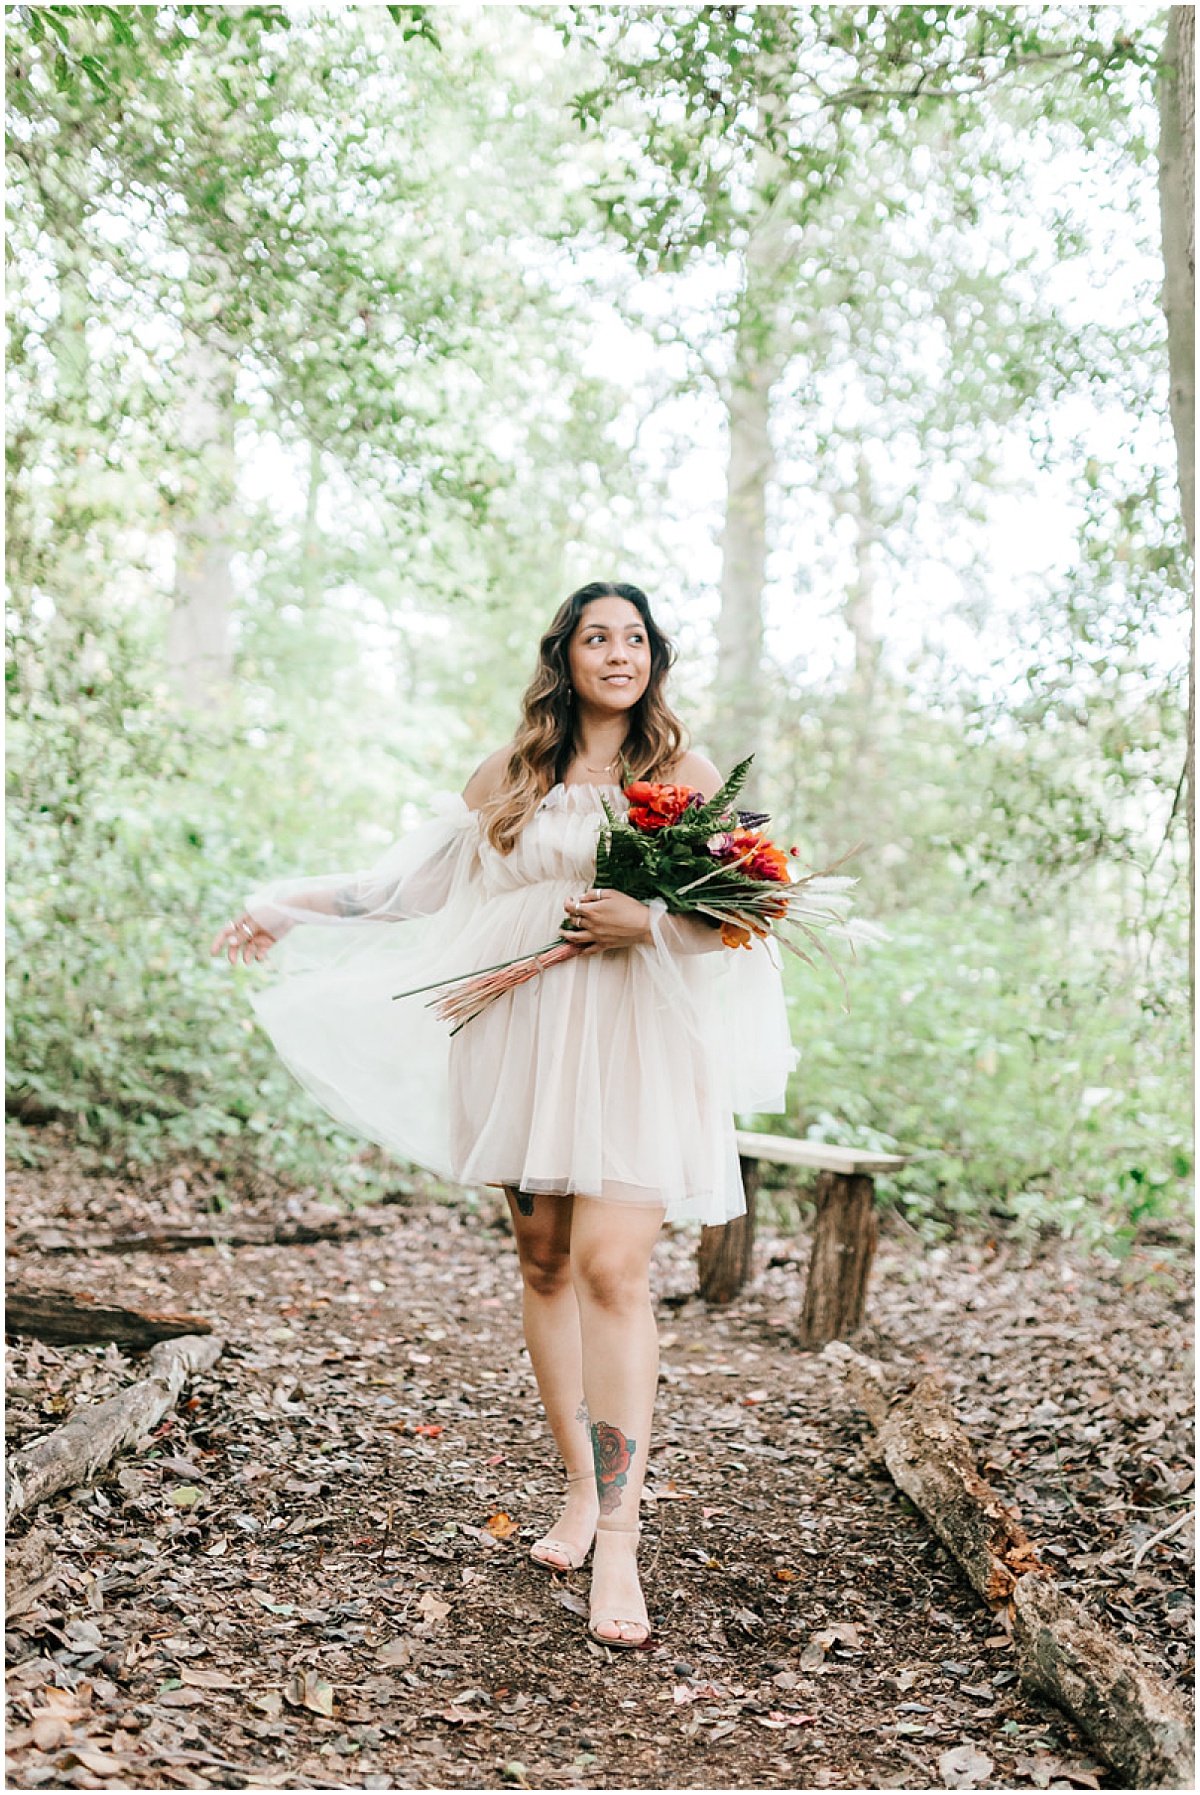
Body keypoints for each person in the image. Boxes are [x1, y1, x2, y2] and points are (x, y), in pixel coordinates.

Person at [212, 579, 795, 1649]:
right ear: (563, 655)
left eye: (633, 638)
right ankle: (579, 1485)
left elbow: (756, 907)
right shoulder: (509, 775)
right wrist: (285, 903)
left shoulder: (686, 775)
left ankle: (618, 1536)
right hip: (519, 1042)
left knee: (614, 1269)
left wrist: (650, 919)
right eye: (595, 637)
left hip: (632, 1044)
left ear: (654, 657)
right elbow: (406, 891)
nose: (616, 653)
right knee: (540, 1259)